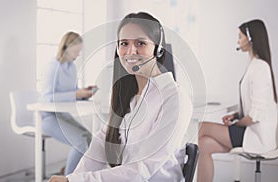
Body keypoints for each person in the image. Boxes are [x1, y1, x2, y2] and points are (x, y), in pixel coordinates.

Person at [48, 12, 193, 182]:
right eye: (124, 43)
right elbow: (101, 144)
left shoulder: (175, 98)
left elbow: (143, 169)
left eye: (140, 43)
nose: (130, 51)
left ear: (158, 49)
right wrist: (73, 178)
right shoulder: (130, 96)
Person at [197, 19, 278, 182]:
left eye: (240, 36)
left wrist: (236, 124)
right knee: (204, 145)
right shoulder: (255, 65)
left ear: (250, 39)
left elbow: (255, 115)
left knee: (201, 127)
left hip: (257, 136)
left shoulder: (260, 67)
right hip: (250, 130)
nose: (238, 40)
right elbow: (253, 107)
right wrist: (235, 116)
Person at [40, 31, 96, 175]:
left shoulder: (72, 67)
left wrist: (83, 93)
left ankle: (72, 173)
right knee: (80, 142)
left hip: (63, 115)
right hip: (48, 118)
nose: (78, 54)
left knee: (89, 139)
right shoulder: (53, 66)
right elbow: (47, 98)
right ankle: (67, 178)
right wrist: (75, 94)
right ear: (67, 47)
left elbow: (73, 92)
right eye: (77, 50)